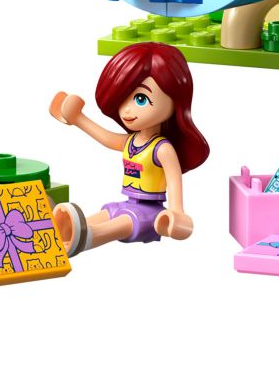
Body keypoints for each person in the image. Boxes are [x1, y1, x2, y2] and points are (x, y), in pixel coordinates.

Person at [47, 42, 207, 255]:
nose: (127, 109)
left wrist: (177, 211)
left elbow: (174, 181)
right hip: (127, 202)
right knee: (107, 213)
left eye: (140, 99)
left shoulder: (162, 149)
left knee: (122, 223)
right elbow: (105, 138)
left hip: (150, 215)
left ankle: (83, 239)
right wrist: (78, 119)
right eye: (123, 98)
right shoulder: (131, 142)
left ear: (173, 100)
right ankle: (59, 229)